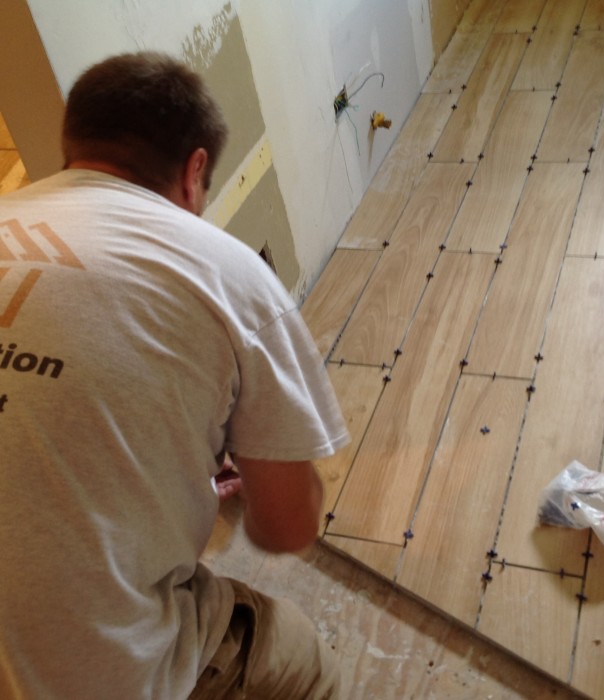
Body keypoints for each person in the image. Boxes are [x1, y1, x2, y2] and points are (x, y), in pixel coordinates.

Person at [0, 52, 349, 699]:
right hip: (87, 679)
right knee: (304, 661)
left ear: (73, 147)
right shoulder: (225, 273)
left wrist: (162, 470)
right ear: (194, 170)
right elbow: (286, 529)